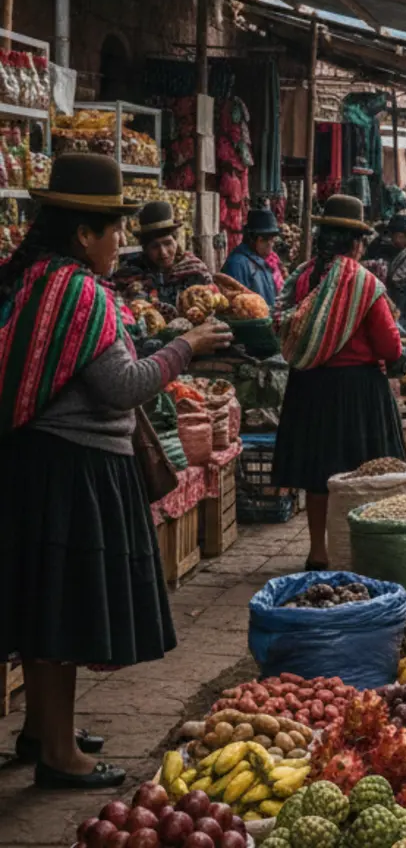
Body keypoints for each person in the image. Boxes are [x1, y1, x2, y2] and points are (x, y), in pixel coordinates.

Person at [0, 155, 232, 789]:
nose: (121, 244)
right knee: (60, 615)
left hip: (40, 466)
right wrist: (188, 348)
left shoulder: (38, 279)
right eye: (115, 232)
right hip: (69, 471)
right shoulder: (77, 290)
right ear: (84, 234)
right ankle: (58, 756)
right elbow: (119, 387)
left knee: (47, 609)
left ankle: (45, 732)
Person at [272, 196, 406, 571]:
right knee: (366, 475)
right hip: (357, 391)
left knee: (319, 474)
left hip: (309, 386)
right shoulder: (363, 284)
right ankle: (361, 548)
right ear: (355, 243)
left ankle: (318, 551)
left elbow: (281, 322)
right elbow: (389, 345)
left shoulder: (300, 278)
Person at [113, 200, 212, 306]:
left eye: (168, 243)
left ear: (176, 242)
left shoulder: (194, 270)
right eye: (155, 246)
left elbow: (211, 301)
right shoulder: (130, 271)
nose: (163, 253)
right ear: (145, 248)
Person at [221, 208, 281, 306]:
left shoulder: (263, 261)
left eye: (273, 240)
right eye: (267, 240)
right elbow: (234, 305)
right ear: (255, 240)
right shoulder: (237, 264)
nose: (271, 245)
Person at [381, 215, 406, 315]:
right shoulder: (405, 249)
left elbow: (396, 278)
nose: (393, 241)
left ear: (400, 235)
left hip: (404, 294)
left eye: (394, 237)